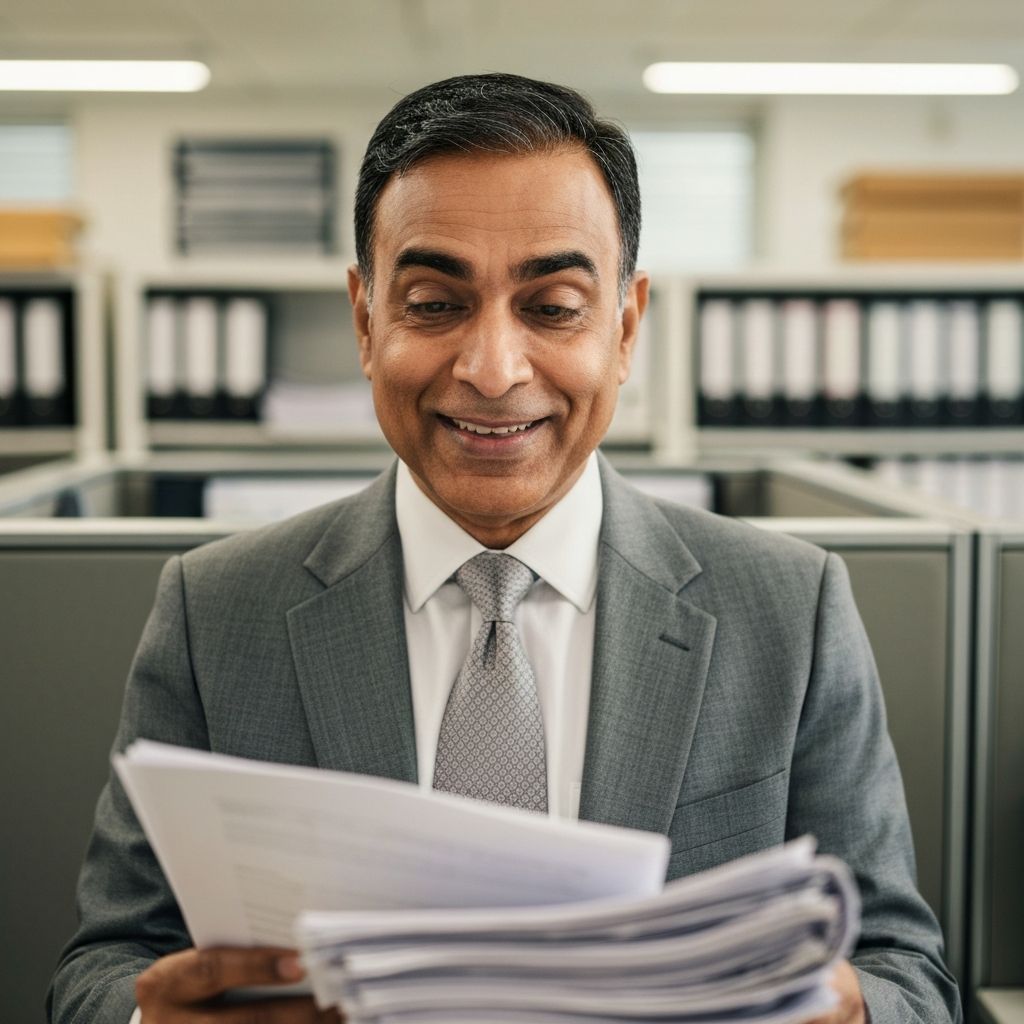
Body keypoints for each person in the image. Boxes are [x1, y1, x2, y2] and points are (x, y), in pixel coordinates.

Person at [49, 73, 960, 1024]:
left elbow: (909, 978)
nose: (491, 369)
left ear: (625, 325)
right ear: (366, 321)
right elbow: (105, 963)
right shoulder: (216, 610)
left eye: (554, 306)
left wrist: (843, 1008)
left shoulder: (788, 610)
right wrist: (151, 1018)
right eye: (436, 304)